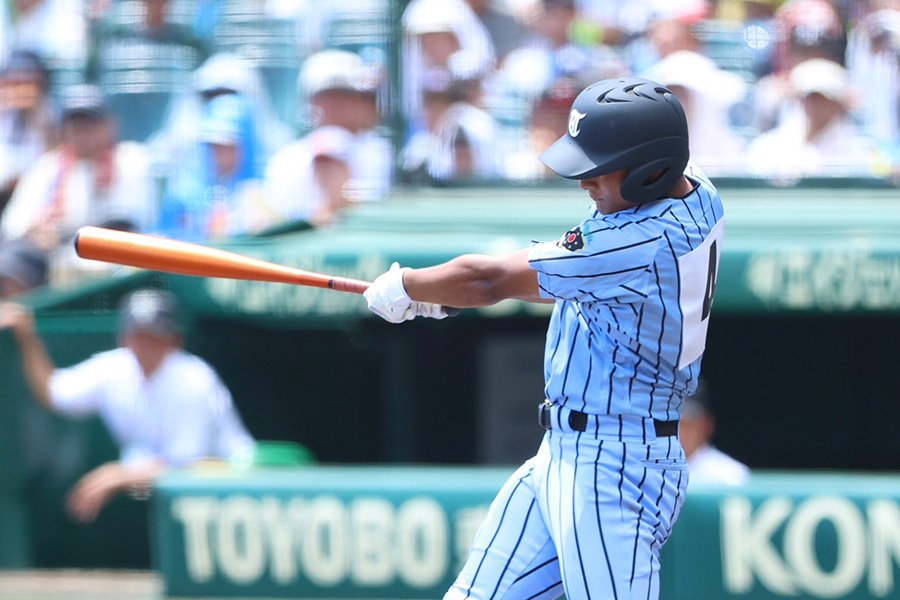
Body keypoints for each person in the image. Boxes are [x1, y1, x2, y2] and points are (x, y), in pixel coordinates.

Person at [364, 76, 725, 600]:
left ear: (653, 170)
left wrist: (405, 284)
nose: (585, 182)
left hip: (616, 466)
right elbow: (581, 284)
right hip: (566, 450)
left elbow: (489, 279)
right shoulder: (697, 192)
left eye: (600, 169)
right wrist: (440, 296)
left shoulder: (643, 242)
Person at [0, 288, 256, 523]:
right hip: (164, 492)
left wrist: (117, 475)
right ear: (124, 336)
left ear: (174, 339)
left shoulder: (194, 380)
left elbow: (188, 466)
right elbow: (53, 394)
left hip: (235, 490)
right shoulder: (116, 369)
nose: (143, 344)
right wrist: (28, 337)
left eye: (154, 335)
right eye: (137, 333)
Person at [0, 84, 156, 283]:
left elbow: (126, 223)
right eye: (76, 124)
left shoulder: (131, 158)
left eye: (90, 123)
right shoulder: (48, 167)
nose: (83, 132)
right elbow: (14, 226)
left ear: (109, 124)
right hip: (51, 257)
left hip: (113, 255)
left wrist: (69, 238)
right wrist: (36, 232)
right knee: (11, 263)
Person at [746, 58, 876, 179]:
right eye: (809, 98)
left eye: (824, 99)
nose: (815, 105)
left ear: (839, 104)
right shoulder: (769, 147)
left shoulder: (859, 151)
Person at [680, 380, 750, 486]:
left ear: (706, 425)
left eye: (684, 424)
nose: (677, 431)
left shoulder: (732, 476)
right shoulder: (648, 469)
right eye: (665, 423)